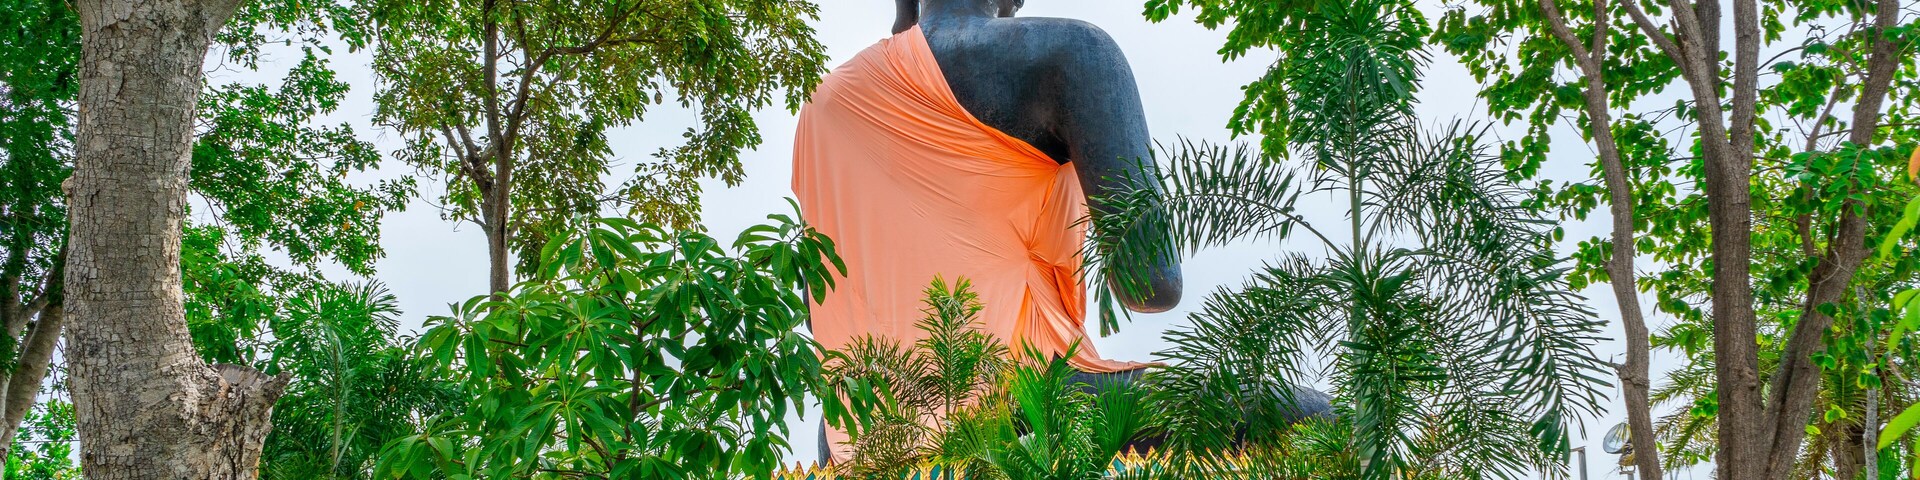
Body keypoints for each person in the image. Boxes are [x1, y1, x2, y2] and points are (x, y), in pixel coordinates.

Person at [793, 0, 1323, 464]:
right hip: (1025, 401)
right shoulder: (1071, 53)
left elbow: (824, 314)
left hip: (857, 438)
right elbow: (1151, 283)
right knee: (1321, 417)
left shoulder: (824, 106)